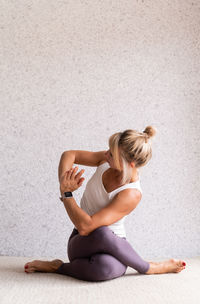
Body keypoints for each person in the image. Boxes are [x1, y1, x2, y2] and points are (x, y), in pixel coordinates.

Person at [24, 126, 186, 281]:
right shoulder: (105, 160)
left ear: (129, 165)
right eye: (109, 150)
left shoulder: (131, 193)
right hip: (81, 243)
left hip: (114, 248)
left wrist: (67, 194)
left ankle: (58, 267)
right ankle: (149, 267)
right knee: (101, 233)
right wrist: (64, 184)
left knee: (104, 269)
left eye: (112, 154)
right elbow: (69, 154)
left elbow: (87, 224)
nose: (106, 154)